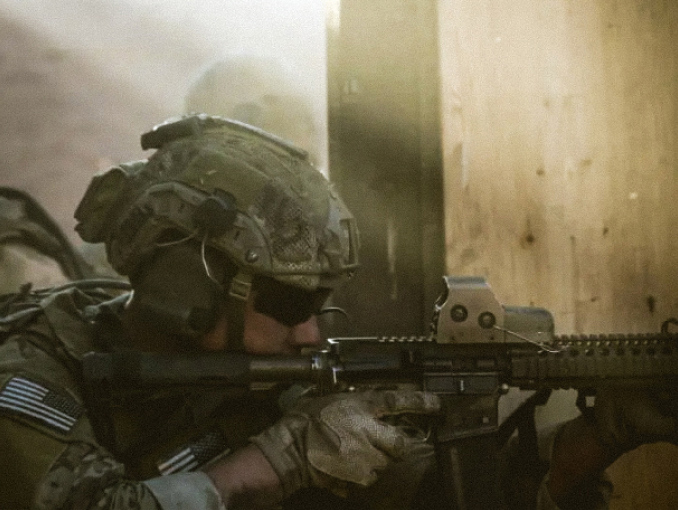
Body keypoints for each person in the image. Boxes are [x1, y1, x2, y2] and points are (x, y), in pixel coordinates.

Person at [0, 114, 675, 510]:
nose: (310, 330)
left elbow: (449, 496)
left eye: (321, 303)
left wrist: (606, 431)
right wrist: (272, 463)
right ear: (190, 283)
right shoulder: (28, 374)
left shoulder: (265, 380)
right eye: (291, 300)